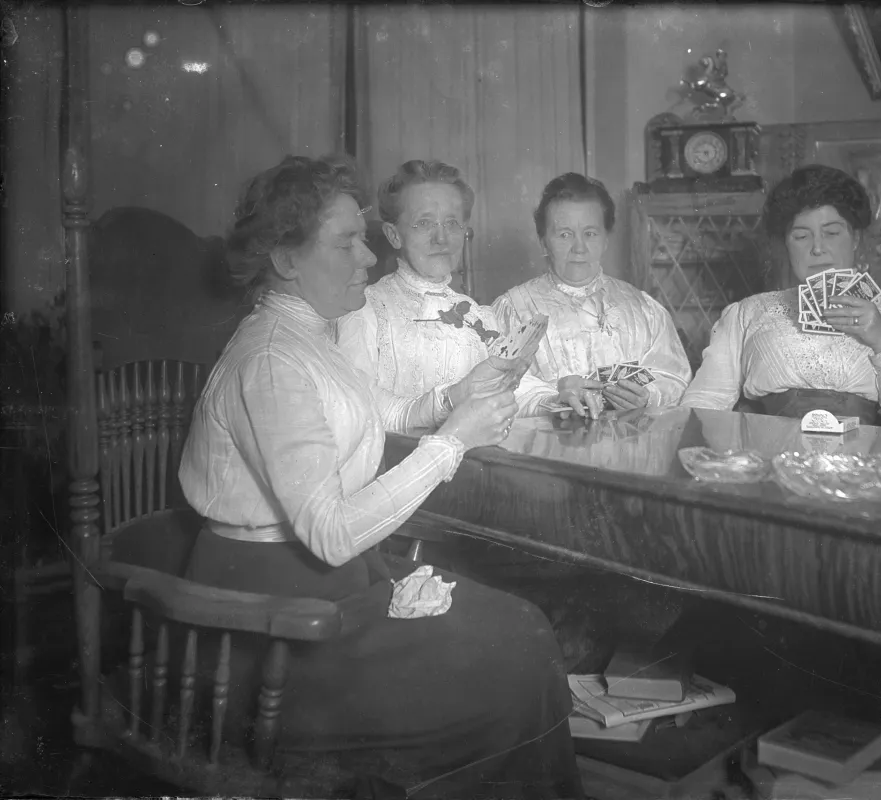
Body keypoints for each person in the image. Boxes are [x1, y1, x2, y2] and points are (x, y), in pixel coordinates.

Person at [177, 154, 581, 799]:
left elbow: (377, 408)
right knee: (513, 651)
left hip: (325, 589)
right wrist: (452, 442)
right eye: (346, 243)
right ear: (285, 260)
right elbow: (331, 534)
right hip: (266, 625)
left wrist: (454, 398)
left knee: (523, 629)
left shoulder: (308, 334)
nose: (367, 258)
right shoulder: (273, 360)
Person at [681, 164, 881, 432]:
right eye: (801, 236)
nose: (817, 248)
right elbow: (702, 405)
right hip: (771, 464)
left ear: (855, 239)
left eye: (831, 233)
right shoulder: (746, 314)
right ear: (786, 244)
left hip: (862, 469)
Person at [337, 159, 556, 416]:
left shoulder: (477, 315)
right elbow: (363, 405)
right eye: (424, 223)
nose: (441, 239)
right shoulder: (367, 312)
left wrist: (554, 400)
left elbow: (510, 387)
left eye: (451, 224)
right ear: (394, 235)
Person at [492, 173, 692, 419]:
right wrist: (552, 396)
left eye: (590, 233)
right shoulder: (512, 309)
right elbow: (495, 389)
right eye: (565, 234)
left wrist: (649, 395)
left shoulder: (643, 308)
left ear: (606, 239)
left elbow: (675, 377)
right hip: (548, 448)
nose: (579, 248)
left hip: (628, 449)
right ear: (544, 243)